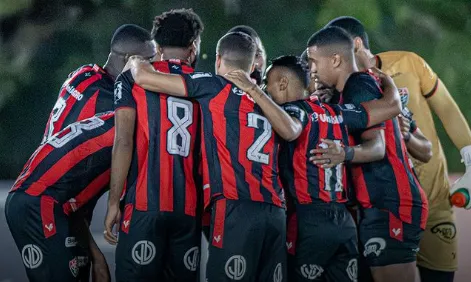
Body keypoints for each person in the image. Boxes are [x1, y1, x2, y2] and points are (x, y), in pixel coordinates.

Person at [125, 31, 290, 282]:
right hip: (275, 211)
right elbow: (291, 131)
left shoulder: (213, 85)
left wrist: (136, 61)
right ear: (252, 62)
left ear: (218, 59)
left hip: (235, 206)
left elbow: (146, 79)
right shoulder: (268, 100)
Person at [225, 54, 401, 282]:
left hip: (309, 222)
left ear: (283, 83)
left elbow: (291, 130)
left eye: (267, 85)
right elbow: (392, 106)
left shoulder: (295, 110)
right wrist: (389, 82)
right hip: (343, 222)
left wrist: (253, 91)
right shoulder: (338, 112)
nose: (265, 91)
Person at [326, 16, 471, 282]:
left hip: (431, 200)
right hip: (382, 209)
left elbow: (447, 111)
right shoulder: (341, 91)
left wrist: (469, 157)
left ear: (355, 45)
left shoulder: (408, 63)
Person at [307, 27, 429, 282]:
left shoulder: (358, 84)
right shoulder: (348, 91)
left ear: (336, 59)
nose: (313, 70)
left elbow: (378, 146)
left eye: (314, 62)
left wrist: (344, 154)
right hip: (379, 203)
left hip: (390, 201)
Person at [103, 9, 204, 282]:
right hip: (188, 209)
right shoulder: (205, 85)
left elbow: (123, 142)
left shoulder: (131, 79)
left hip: (144, 206)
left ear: (157, 47)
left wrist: (113, 202)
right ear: (193, 47)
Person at [5, 112, 115, 282]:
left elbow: (74, 201)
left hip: (41, 201)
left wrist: (97, 257)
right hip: (39, 202)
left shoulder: (105, 120)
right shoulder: (126, 133)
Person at [41, 24, 156, 143]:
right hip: (72, 161)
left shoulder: (82, 73)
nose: (154, 68)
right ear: (128, 60)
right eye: (149, 61)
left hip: (43, 157)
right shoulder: (111, 98)